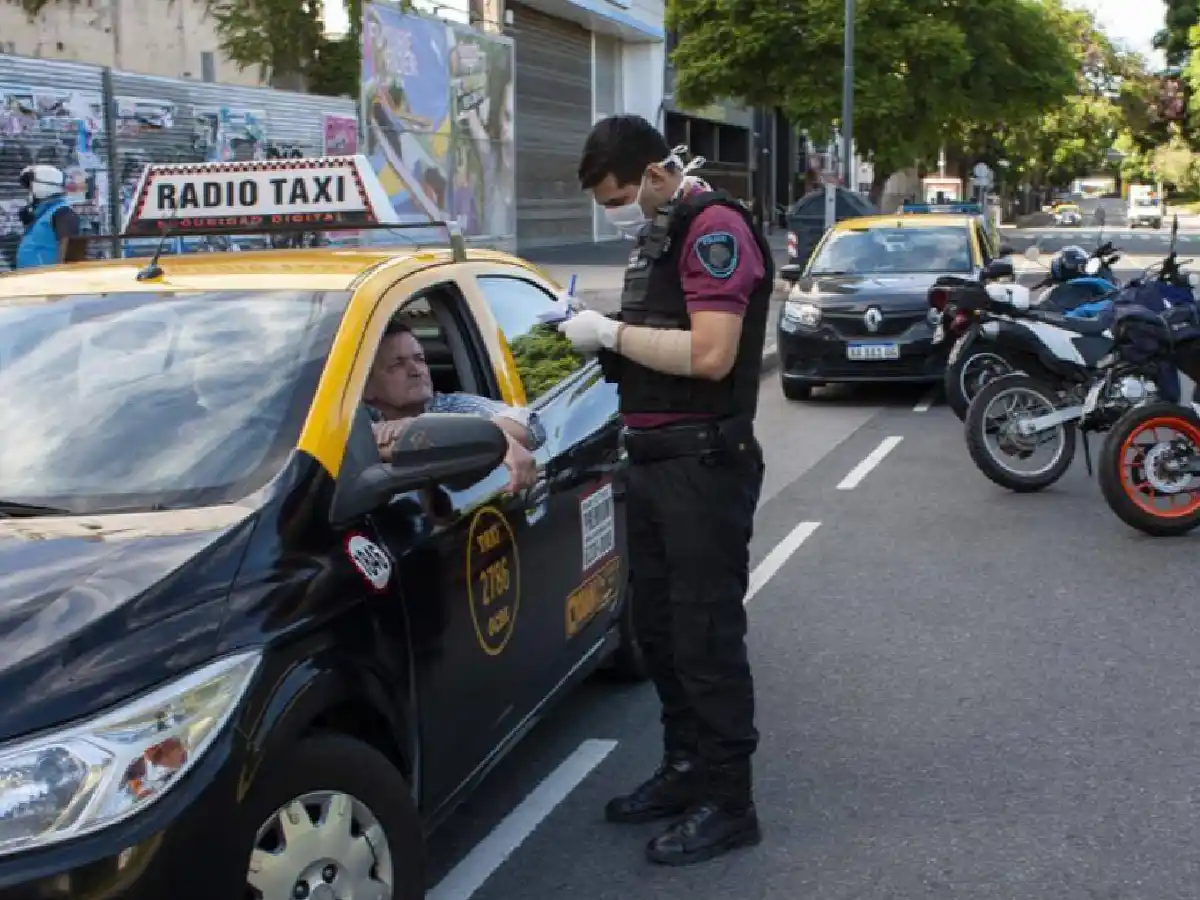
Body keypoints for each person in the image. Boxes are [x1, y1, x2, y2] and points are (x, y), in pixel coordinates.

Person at [557, 114, 773, 866]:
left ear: (654, 171)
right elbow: (659, 335)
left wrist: (611, 336)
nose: (618, 209)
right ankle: (686, 771)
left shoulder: (714, 228)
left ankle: (728, 800)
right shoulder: (661, 229)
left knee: (705, 637)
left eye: (620, 194)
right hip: (652, 461)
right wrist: (600, 334)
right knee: (658, 631)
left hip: (702, 465)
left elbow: (712, 355)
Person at [364, 320, 540, 492]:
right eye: (397, 365)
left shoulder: (451, 406)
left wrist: (501, 437)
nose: (416, 370)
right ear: (366, 389)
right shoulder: (356, 423)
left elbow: (528, 424)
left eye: (419, 359)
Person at [16, 165, 80, 269]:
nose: (29, 194)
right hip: (31, 279)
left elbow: (69, 254)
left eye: (31, 188)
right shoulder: (43, 214)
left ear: (41, 187)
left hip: (47, 280)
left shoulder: (62, 213)